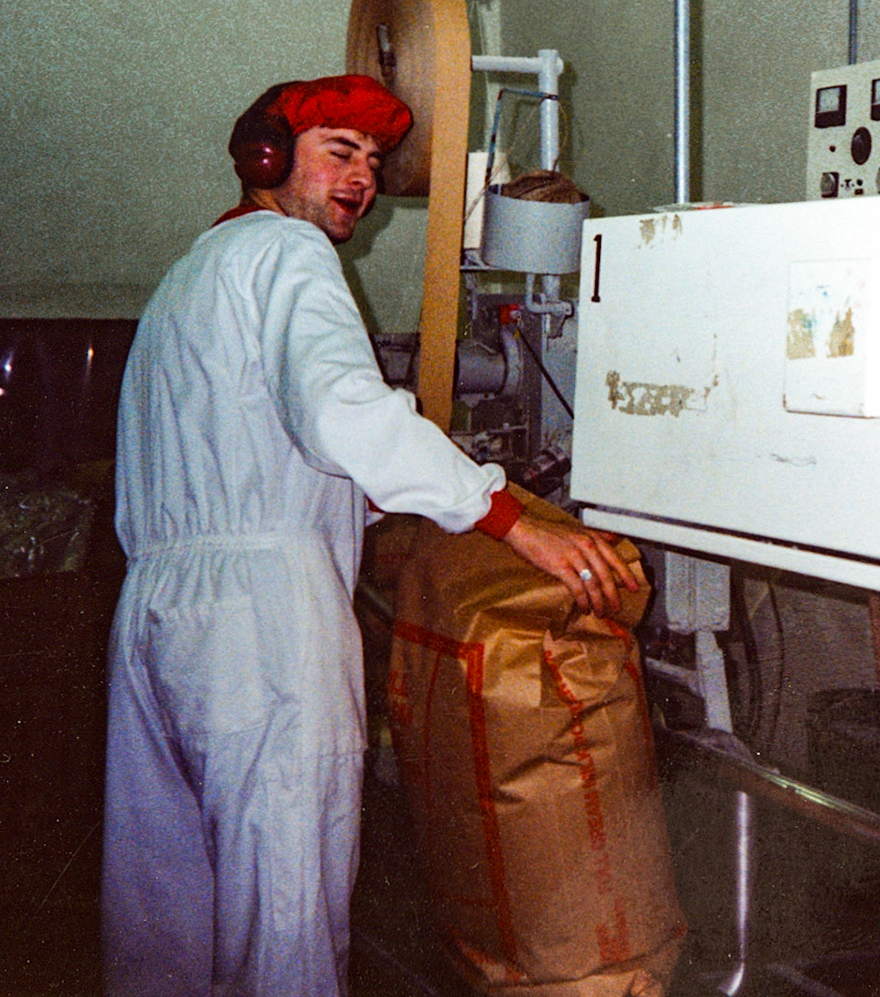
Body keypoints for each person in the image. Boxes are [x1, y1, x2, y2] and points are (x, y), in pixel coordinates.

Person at [102, 74, 642, 997]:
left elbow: (265, 446)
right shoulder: (292, 255)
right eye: (338, 152)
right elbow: (343, 413)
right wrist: (511, 521)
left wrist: (399, 502)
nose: (362, 178)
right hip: (263, 626)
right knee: (284, 913)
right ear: (268, 158)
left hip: (159, 616)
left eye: (375, 161)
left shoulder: (195, 270)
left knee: (170, 914)